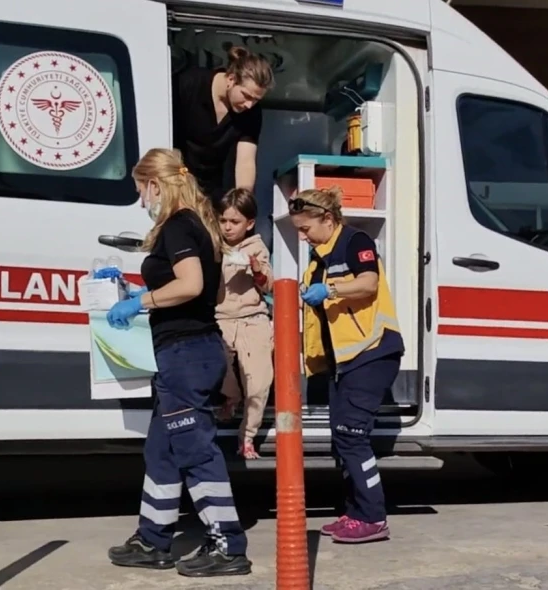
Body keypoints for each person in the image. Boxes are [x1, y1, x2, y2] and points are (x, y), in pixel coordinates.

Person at [106, 148, 252, 577]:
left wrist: (143, 301)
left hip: (185, 353)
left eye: (141, 190)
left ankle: (228, 544)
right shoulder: (201, 227)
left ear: (156, 185)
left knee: (194, 450)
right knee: (163, 449)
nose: (141, 201)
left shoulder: (178, 225)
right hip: (191, 348)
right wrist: (140, 292)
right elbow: (213, 294)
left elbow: (192, 285)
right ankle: (153, 539)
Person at [288, 187, 404, 544]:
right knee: (342, 438)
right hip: (346, 359)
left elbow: (368, 283)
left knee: (352, 435)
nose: (301, 235)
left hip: (373, 350)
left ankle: (372, 517)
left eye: (306, 228)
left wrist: (332, 291)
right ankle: (354, 512)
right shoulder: (317, 259)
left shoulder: (356, 240)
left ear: (327, 218)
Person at [172, 46, 275, 208]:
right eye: (247, 96)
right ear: (231, 80)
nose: (249, 104)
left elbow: (246, 161)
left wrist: (242, 204)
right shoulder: (189, 84)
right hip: (177, 181)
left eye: (256, 100)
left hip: (215, 191)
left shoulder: (252, 113)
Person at [214, 188, 274, 460]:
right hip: (221, 319)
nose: (227, 227)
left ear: (249, 224)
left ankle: (247, 437)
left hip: (252, 319)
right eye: (223, 220)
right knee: (220, 372)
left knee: (258, 383)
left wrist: (257, 270)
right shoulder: (213, 245)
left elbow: (269, 285)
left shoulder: (256, 247)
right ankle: (231, 397)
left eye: (234, 222)